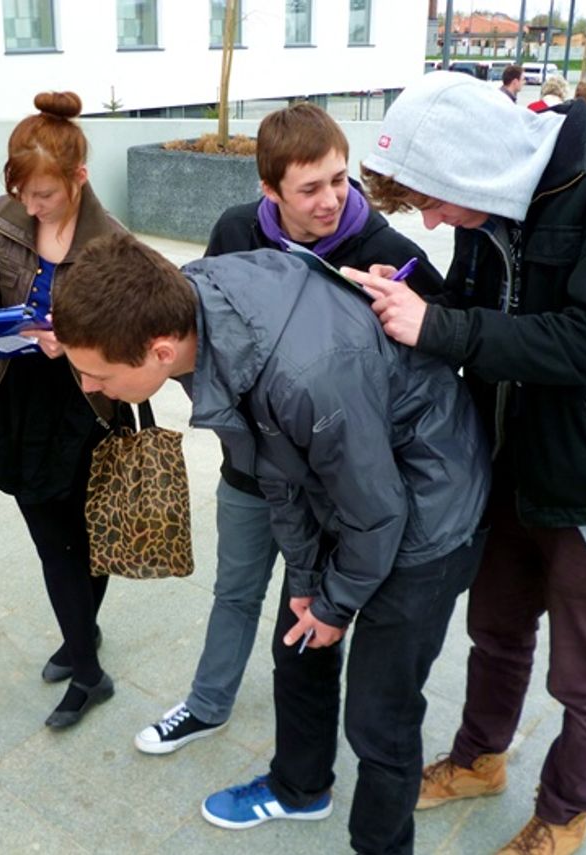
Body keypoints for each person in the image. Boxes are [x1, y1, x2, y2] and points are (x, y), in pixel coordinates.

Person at [52, 232, 491, 855]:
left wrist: (337, 606)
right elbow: (275, 471)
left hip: (429, 510)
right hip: (354, 487)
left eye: (97, 374)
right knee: (299, 641)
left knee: (379, 716)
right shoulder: (191, 314)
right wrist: (312, 584)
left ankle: (381, 846)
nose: (89, 387)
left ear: (158, 351)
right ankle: (300, 788)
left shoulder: (304, 375)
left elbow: (379, 511)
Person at [348, 70, 586, 854]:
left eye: (433, 199)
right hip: (511, 465)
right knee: (496, 632)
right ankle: (479, 759)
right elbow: (474, 309)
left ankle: (565, 813)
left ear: (473, 166)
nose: (431, 219)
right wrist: (400, 297)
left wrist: (439, 327)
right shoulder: (489, 200)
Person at [133, 101, 444, 756]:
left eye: (338, 179)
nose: (332, 200)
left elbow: (440, 357)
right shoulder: (237, 228)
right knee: (235, 590)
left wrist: (392, 311)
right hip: (251, 469)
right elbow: (199, 326)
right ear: (269, 191)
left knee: (314, 617)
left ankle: (305, 758)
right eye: (310, 188)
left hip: (337, 480)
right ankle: (207, 703)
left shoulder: (388, 249)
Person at [0, 91, 128, 729]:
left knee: (89, 539)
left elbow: (133, 342)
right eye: (22, 191)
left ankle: (82, 645)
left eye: (44, 194)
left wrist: (71, 342)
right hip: (20, 396)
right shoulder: (1, 217)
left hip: (89, 402)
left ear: (78, 177)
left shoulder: (111, 243)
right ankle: (87, 661)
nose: (31, 206)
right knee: (54, 543)